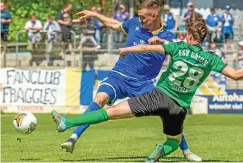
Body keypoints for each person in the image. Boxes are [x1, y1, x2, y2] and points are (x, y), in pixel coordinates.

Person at [52, 13, 243, 162]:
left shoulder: (178, 48)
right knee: (173, 142)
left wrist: (126, 49)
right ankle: (158, 153)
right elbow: (236, 75)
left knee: (110, 112)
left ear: (189, 35)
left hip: (158, 97)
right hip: (179, 108)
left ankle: (67, 123)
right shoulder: (211, 59)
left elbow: (145, 48)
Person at [60, 0, 201, 162]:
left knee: (168, 112)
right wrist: (94, 14)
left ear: (154, 15)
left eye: (143, 18)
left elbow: (184, 53)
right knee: (99, 99)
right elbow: (115, 24)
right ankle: (73, 137)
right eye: (139, 17)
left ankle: (186, 150)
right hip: (118, 76)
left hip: (143, 84)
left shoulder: (167, 37)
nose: (140, 21)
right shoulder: (134, 24)